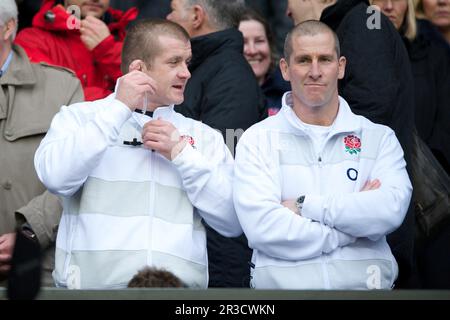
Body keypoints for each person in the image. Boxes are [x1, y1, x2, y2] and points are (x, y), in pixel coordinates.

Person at [34, 18, 242, 289]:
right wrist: (118, 109)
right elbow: (55, 177)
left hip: (179, 298)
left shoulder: (203, 137)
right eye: (174, 62)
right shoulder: (78, 118)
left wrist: (182, 154)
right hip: (93, 296)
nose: (186, 73)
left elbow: (232, 221)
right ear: (138, 70)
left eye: (187, 62)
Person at [233, 20, 412, 289]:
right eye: (304, 60)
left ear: (340, 67)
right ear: (285, 68)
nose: (315, 71)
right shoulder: (257, 139)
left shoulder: (378, 137)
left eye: (325, 59)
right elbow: (264, 230)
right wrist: (350, 229)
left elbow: (389, 211)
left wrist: (305, 205)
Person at [286, 0, 418, 288]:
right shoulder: (353, 23)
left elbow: (371, 113)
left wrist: (315, 203)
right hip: (352, 234)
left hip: (370, 244)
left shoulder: (364, 21)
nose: (287, 10)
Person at [167, 0, 265, 288]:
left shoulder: (229, 77)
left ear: (197, 16)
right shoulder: (206, 68)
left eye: (173, 10)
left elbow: (222, 179)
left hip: (219, 260)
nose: (167, 17)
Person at [0, 0, 84, 286]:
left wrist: (30, 231)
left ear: (8, 27)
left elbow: (79, 172)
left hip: (38, 267)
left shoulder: (61, 87)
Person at [372, 0, 450, 289]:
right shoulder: (356, 55)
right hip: (376, 195)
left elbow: (445, 123)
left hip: (432, 201)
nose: (389, 6)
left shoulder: (433, 53)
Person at [15, 0, 138, 101]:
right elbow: (52, 95)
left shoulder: (124, 38)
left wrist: (108, 49)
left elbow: (148, 91)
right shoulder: (32, 40)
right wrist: (120, 99)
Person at [238, 8, 291, 116]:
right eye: (243, 42)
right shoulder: (220, 96)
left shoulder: (291, 90)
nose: (252, 50)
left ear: (270, 45)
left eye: (259, 41)